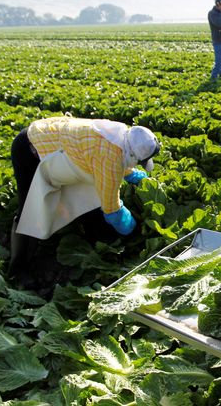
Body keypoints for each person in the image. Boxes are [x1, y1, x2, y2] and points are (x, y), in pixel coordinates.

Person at [9, 116, 160, 287]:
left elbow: (119, 156)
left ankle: (95, 238)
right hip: (29, 149)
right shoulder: (110, 159)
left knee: (91, 198)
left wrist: (132, 175)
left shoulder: (118, 136)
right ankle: (18, 269)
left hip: (58, 147)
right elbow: (112, 208)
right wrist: (131, 228)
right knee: (29, 211)